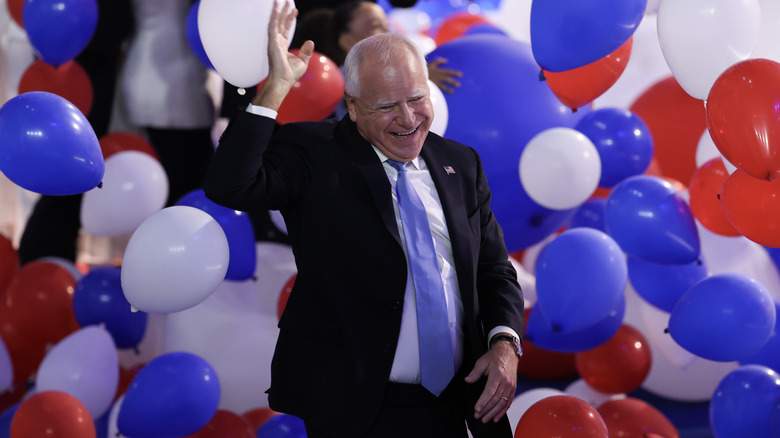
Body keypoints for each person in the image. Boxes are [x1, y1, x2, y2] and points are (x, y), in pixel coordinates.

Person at [204, 3, 524, 437]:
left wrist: (504, 342)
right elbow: (230, 185)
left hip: (456, 403)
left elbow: (493, 269)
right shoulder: (315, 154)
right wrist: (277, 87)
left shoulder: (460, 163)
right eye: (388, 106)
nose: (409, 119)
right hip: (355, 408)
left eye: (417, 99)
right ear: (352, 106)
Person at [332, 1, 463, 93]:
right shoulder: (339, 81)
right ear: (347, 41)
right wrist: (421, 81)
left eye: (386, 24)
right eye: (376, 26)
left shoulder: (399, 67)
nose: (387, 31)